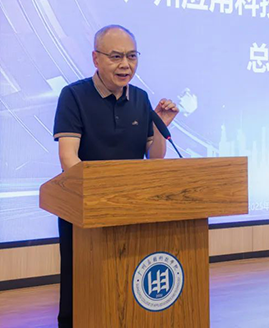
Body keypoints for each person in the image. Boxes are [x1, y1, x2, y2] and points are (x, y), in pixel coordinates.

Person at [52, 25, 179, 327]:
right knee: (82, 285)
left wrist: (159, 125)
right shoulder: (74, 95)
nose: (126, 65)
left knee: (127, 283)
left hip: (131, 209)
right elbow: (68, 157)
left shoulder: (140, 98)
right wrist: (96, 196)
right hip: (85, 210)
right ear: (96, 58)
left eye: (132, 56)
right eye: (116, 56)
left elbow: (154, 157)